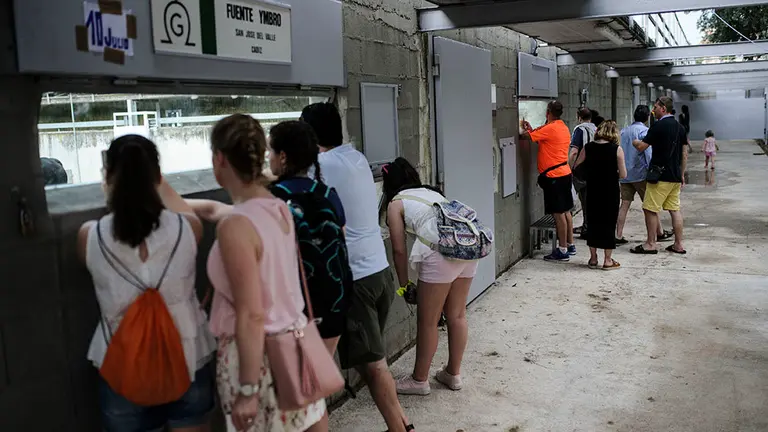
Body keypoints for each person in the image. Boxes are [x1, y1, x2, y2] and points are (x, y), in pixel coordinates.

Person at [76, 135, 217, 432]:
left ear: (108, 176)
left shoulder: (89, 236)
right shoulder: (188, 227)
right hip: (188, 358)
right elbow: (174, 205)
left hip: (122, 365)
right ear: (157, 176)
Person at [203, 114, 327, 432]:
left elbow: (251, 314)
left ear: (219, 159)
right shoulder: (278, 207)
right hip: (294, 347)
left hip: (255, 358)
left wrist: (247, 390)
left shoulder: (236, 226)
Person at [301, 103, 415, 432]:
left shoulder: (320, 166)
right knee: (371, 362)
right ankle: (401, 425)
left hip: (356, 280)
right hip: (378, 273)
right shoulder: (356, 158)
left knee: (370, 365)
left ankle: (400, 428)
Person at [379, 157, 478, 397]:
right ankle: (453, 374)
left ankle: (419, 380)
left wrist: (404, 285)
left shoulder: (395, 203)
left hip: (439, 253)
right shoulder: (432, 193)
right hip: (468, 248)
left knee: (428, 321)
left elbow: (399, 250)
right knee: (457, 315)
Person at [267, 120, 352, 356]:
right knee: (320, 371)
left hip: (292, 308)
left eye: (270, 151)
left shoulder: (272, 200)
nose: (268, 158)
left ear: (283, 157)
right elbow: (342, 243)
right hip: (333, 301)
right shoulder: (328, 194)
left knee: (295, 376)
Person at [631, 96, 688, 255]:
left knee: (650, 209)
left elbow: (642, 147)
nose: (653, 110)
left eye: (655, 107)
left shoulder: (657, 126)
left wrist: (635, 142)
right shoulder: (680, 127)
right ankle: (678, 244)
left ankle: (650, 244)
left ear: (663, 108)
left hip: (659, 177)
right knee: (674, 210)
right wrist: (681, 174)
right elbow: (684, 154)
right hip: (675, 176)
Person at [522, 100, 575, 261]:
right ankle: (570, 245)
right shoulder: (562, 127)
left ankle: (562, 250)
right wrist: (532, 129)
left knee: (558, 213)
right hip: (565, 173)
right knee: (566, 211)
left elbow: (527, 137)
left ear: (548, 112)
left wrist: (524, 129)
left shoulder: (550, 128)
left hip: (554, 177)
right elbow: (543, 139)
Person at [616, 105, 673, 244]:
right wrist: (651, 171)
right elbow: (648, 154)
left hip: (625, 174)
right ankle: (659, 232)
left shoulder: (624, 131)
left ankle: (618, 235)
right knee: (651, 206)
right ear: (647, 117)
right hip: (641, 174)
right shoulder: (645, 131)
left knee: (624, 204)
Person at [573, 121, 626, 270]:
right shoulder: (617, 150)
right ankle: (607, 260)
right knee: (609, 223)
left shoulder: (588, 147)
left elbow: (577, 166)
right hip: (610, 191)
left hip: (592, 190)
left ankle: (593, 258)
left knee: (593, 222)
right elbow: (623, 174)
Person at [569, 107, 596, 239]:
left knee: (569, 198)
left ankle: (566, 228)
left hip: (580, 170)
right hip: (593, 170)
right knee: (588, 201)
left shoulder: (580, 130)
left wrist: (570, 167)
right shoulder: (596, 129)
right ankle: (587, 227)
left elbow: (574, 152)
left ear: (579, 117)